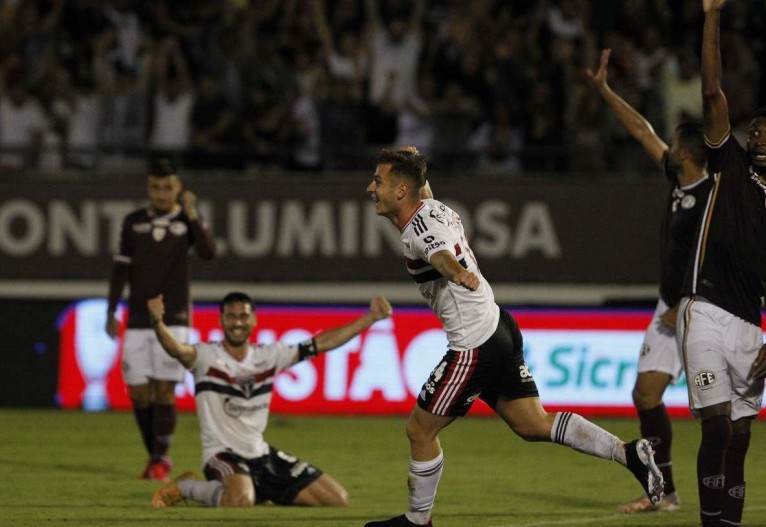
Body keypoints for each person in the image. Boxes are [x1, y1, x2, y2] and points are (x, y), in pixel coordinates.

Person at [363, 146, 665, 527]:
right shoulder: (431, 208)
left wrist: (455, 272)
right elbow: (428, 213)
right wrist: (416, 162)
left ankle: (417, 521)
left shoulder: (419, 234)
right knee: (532, 424)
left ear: (402, 191)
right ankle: (628, 454)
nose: (370, 188)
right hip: (498, 327)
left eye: (378, 181)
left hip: (474, 345)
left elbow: (438, 253)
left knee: (420, 429)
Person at [586, 48, 711, 514]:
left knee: (722, 410)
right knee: (644, 393)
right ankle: (666, 493)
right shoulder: (680, 183)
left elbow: (723, 255)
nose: (667, 147)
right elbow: (642, 130)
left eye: (674, 143)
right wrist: (605, 92)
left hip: (705, 309)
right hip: (669, 307)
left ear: (686, 153)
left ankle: (720, 494)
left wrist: (694, 298)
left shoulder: (714, 198)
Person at [148, 292, 393, 508]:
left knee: (337, 499)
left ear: (254, 320)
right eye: (231, 316)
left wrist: (369, 318)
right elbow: (178, 350)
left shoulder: (269, 356)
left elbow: (323, 342)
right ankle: (187, 487)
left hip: (261, 454)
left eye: (243, 316)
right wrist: (157, 322)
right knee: (239, 501)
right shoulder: (206, 356)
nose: (237, 323)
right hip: (222, 454)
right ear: (221, 320)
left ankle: (257, 489)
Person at [676, 1, 766, 525]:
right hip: (706, 308)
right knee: (716, 428)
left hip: (750, 325)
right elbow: (713, 92)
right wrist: (711, 16)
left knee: (741, 441)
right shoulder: (728, 164)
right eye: (752, 130)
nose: (755, 136)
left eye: (762, 131)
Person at [105, 157, 216, 482]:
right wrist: (111, 310)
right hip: (138, 317)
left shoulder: (186, 221)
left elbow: (209, 251)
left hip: (175, 316)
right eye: (155, 187)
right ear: (148, 188)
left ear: (178, 187)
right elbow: (120, 268)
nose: (161, 193)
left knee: (164, 391)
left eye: (168, 187)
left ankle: (158, 460)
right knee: (139, 393)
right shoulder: (133, 221)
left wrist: (193, 212)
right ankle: (156, 456)